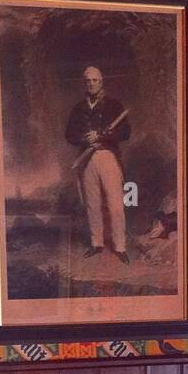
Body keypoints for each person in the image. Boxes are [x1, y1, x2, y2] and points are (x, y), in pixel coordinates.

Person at [64, 66, 131, 264]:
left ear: (101, 82)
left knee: (115, 205)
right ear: (85, 84)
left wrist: (103, 135)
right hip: (86, 159)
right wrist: (86, 139)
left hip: (108, 156)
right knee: (92, 204)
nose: (92, 83)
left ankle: (120, 247)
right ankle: (97, 244)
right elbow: (69, 135)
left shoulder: (114, 105)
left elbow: (126, 132)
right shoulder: (78, 108)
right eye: (88, 81)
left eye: (95, 80)